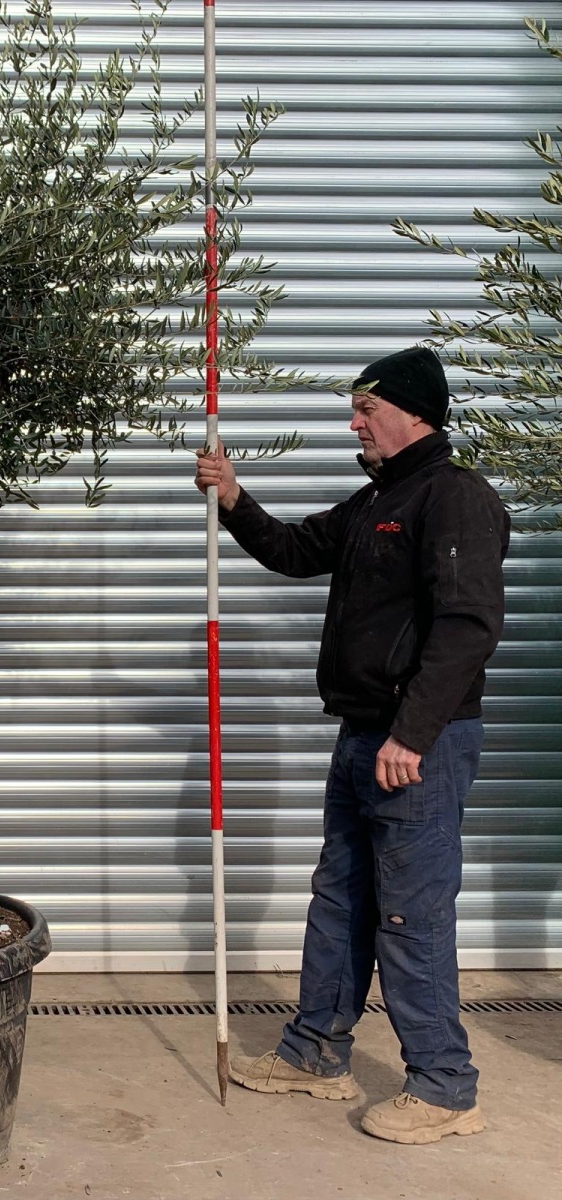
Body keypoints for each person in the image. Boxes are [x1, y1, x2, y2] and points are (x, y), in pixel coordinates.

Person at [194, 345, 510, 1145]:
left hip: (417, 747)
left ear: (414, 414)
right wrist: (233, 498)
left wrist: (412, 734)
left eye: (367, 410)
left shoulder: (454, 498)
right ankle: (316, 1054)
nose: (354, 423)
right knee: (339, 900)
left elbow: (468, 628)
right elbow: (298, 551)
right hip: (362, 737)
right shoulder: (380, 500)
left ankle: (445, 1087)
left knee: (409, 915)